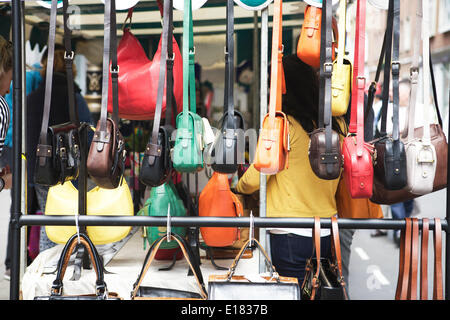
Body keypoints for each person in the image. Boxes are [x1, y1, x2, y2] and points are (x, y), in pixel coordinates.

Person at [236, 54, 347, 294]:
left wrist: (238, 186)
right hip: (327, 229)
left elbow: (257, 176)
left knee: (292, 294)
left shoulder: (282, 125)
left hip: (289, 233)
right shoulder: (336, 125)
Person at [26, 43, 93, 253]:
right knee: (70, 219)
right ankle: (66, 263)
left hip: (40, 169)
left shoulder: (32, 98)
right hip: (70, 170)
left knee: (49, 219)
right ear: (70, 66)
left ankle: (47, 266)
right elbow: (88, 134)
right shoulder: (74, 97)